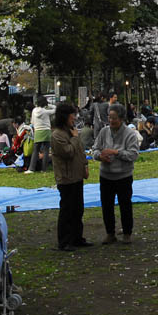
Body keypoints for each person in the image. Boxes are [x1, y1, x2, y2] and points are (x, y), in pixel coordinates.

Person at [92, 103, 140, 244]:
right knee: (107, 205)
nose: (111, 121)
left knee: (125, 205)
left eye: (114, 118)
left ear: (122, 118)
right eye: (109, 117)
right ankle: (110, 233)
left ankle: (127, 233)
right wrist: (100, 156)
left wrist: (116, 152)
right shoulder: (104, 132)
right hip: (106, 175)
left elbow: (133, 155)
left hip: (123, 176)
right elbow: (95, 149)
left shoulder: (130, 134)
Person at [50, 102, 91, 251]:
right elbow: (67, 153)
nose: (74, 118)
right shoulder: (57, 135)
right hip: (66, 178)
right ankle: (65, 241)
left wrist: (85, 165)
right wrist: (74, 138)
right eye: (72, 115)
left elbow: (80, 150)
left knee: (78, 209)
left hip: (77, 176)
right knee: (67, 210)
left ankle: (77, 238)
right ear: (64, 116)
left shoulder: (72, 131)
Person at [29, 97, 55, 173]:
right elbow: (55, 109)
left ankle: (31, 168)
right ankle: (44, 169)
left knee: (35, 151)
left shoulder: (34, 111)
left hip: (37, 131)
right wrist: (49, 105)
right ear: (45, 103)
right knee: (46, 151)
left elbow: (32, 122)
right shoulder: (46, 112)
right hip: (46, 131)